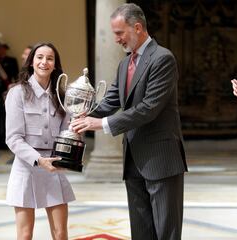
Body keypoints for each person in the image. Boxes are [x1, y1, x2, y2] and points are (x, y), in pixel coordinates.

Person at [71, 3, 187, 239]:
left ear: (137, 27)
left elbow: (148, 109)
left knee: (166, 232)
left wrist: (101, 125)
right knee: (141, 232)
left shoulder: (163, 58)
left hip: (161, 160)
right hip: (133, 161)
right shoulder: (125, 63)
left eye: (119, 33)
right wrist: (84, 117)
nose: (116, 39)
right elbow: (111, 99)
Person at [5, 42, 75, 240]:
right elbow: (13, 138)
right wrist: (38, 160)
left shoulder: (62, 95)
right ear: (31, 62)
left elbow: (66, 132)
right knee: (25, 235)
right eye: (40, 57)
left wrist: (70, 151)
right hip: (26, 168)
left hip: (53, 167)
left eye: (50, 58)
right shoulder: (17, 93)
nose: (44, 62)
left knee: (60, 234)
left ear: (55, 65)